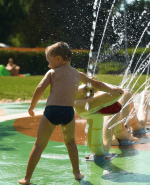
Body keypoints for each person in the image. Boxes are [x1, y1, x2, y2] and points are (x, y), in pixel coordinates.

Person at [18, 42, 123, 184]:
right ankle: (77, 173)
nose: (49, 65)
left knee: (39, 145)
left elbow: (40, 87)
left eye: (49, 61)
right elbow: (96, 84)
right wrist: (113, 90)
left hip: (51, 111)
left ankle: (27, 178)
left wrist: (32, 104)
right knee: (71, 142)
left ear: (58, 59)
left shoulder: (52, 73)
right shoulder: (77, 74)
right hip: (67, 112)